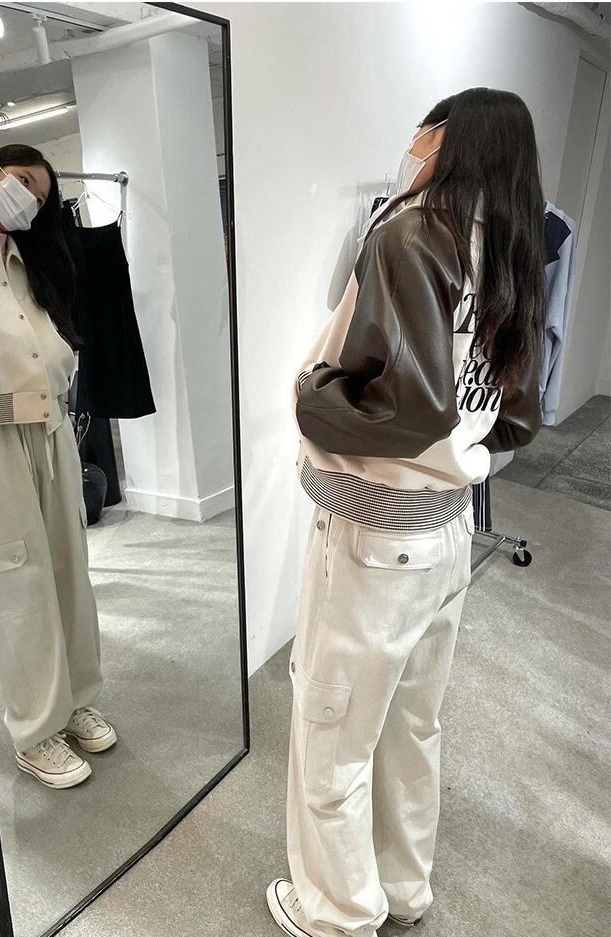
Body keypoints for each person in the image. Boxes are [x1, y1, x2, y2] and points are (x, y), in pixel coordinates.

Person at [267, 88, 546, 936]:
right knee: (411, 724)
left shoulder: (411, 233)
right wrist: (460, 448)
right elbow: (517, 416)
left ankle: (337, 911)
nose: (413, 144)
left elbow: (404, 410)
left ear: (448, 137)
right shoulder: (509, 251)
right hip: (449, 529)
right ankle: (404, 886)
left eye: (424, 130)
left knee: (333, 727)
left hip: (375, 535)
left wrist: (310, 395)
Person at [0, 144, 116, 789]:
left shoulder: (26, 249)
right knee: (19, 578)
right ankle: (36, 730)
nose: (30, 198)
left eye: (41, 194)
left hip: (51, 424)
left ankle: (76, 698)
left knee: (68, 567)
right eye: (25, 180)